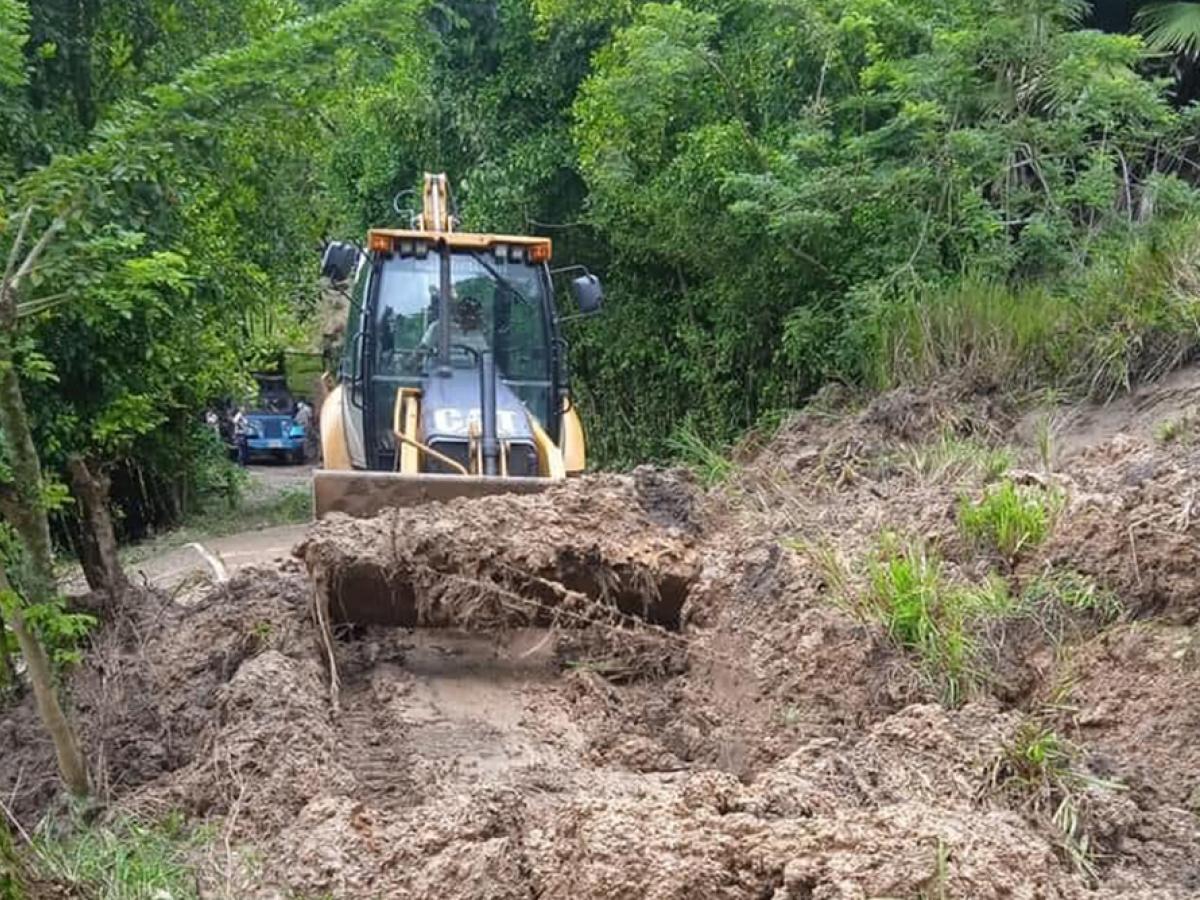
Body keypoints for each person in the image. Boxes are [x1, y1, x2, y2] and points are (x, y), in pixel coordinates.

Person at [421, 291, 489, 357]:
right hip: (437, 368)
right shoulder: (438, 327)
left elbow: (486, 360)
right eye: (465, 313)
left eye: (473, 315)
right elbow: (421, 351)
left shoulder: (478, 335)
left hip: (469, 368)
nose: (470, 318)